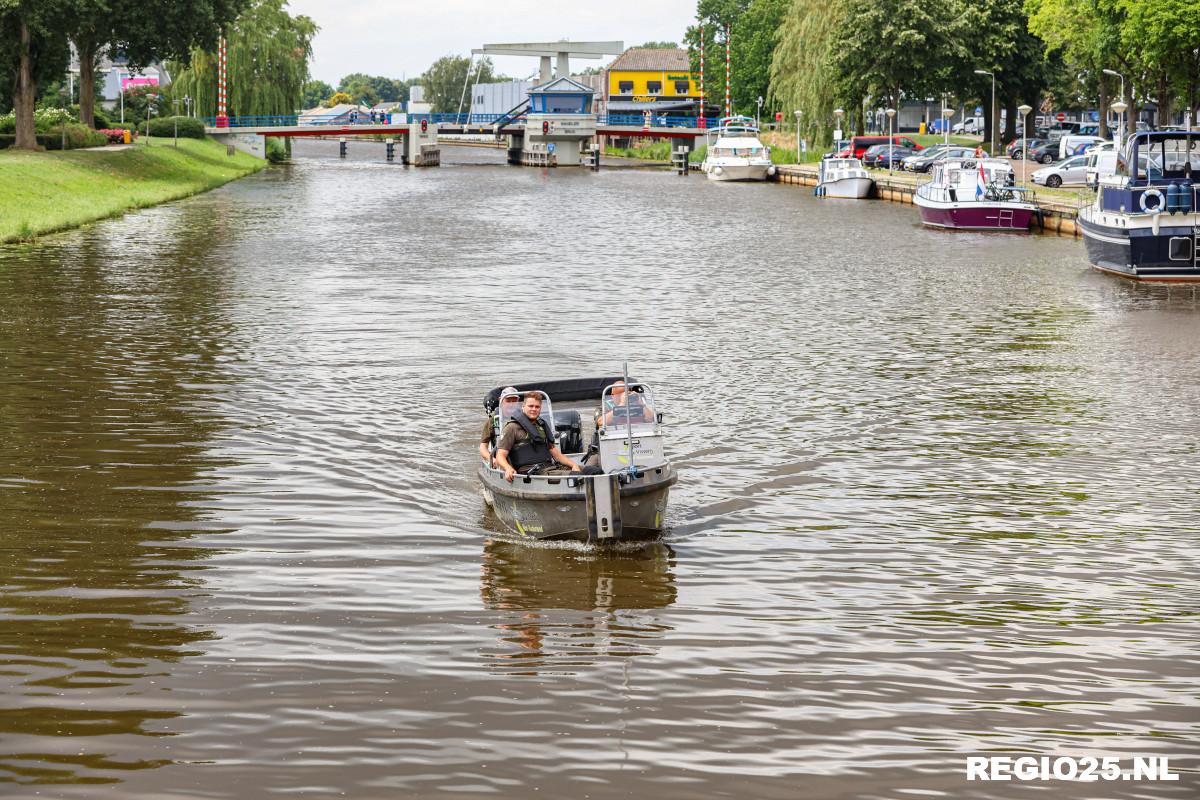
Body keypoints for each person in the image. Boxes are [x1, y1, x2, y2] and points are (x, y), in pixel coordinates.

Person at [494, 393, 582, 482]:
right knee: (579, 476)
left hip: (550, 467)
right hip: (533, 473)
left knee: (590, 471)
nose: (534, 409)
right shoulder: (511, 428)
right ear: (523, 406)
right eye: (530, 406)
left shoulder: (542, 425)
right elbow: (500, 455)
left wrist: (574, 465)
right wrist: (508, 468)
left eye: (537, 407)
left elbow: (556, 455)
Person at [479, 387, 520, 465]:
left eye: (514, 401)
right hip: (502, 457)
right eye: (508, 401)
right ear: (501, 400)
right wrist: (492, 459)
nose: (511, 404)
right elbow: (483, 447)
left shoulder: (525, 417)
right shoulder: (492, 421)